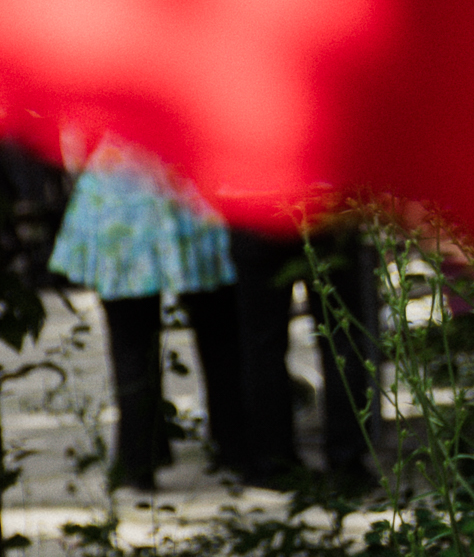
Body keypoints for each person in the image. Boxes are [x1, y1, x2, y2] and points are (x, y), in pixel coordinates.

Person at [49, 146, 241, 493]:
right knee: (219, 332)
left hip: (118, 199)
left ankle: (139, 457)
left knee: (131, 343)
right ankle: (234, 445)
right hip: (186, 192)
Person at [227, 222, 381, 491]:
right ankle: (347, 463)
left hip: (256, 216)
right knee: (342, 340)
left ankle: (272, 464)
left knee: (262, 346)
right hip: (325, 217)